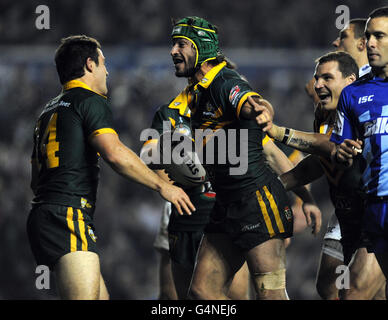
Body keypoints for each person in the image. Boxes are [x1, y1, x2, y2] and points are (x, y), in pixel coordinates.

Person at [26, 35, 195, 300]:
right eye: (104, 63)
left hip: (43, 216)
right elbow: (114, 154)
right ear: (90, 64)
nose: (108, 70)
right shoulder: (89, 100)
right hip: (69, 215)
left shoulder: (46, 111)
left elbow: (36, 180)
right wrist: (163, 185)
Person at [165, 16, 321, 300]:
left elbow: (251, 102)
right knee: (202, 292)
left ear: (201, 48)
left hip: (257, 203)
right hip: (225, 205)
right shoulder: (197, 94)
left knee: (270, 295)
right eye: (172, 44)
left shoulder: (224, 81)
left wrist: (263, 111)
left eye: (181, 44)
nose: (173, 51)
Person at [146, 94, 313, 300]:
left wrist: (300, 201)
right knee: (180, 295)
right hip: (185, 216)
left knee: (240, 293)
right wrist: (186, 177)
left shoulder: (237, 116)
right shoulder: (170, 114)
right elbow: (154, 163)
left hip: (232, 213)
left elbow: (281, 157)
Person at [268, 50, 386, 299]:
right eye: (317, 78)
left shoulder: (368, 106)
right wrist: (275, 186)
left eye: (327, 78)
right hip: (347, 215)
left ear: (350, 81)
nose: (318, 85)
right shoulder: (324, 114)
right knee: (329, 287)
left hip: (375, 212)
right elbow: (320, 161)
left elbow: (327, 144)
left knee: (354, 293)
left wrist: (278, 132)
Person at [332, 6, 388, 283]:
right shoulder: (352, 94)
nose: (371, 43)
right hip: (373, 205)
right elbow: (341, 149)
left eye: (379, 35)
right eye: (368, 36)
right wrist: (341, 152)